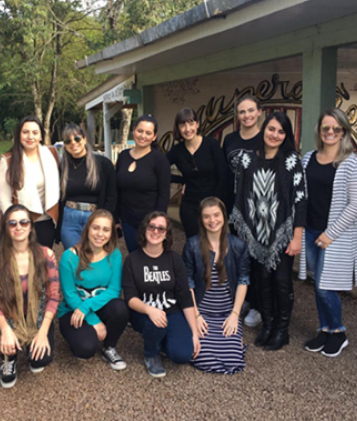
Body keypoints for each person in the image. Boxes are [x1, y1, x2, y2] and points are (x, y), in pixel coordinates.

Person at [230, 112, 307, 351]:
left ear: (286, 136)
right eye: (271, 129)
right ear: (264, 130)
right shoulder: (247, 159)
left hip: (282, 232)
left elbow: (301, 200)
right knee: (261, 280)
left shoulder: (291, 161)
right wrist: (243, 229)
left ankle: (282, 331)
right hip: (255, 234)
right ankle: (268, 325)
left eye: (281, 131)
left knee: (281, 280)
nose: (275, 135)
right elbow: (240, 194)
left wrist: (297, 237)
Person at [299, 109, 357, 357]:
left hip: (332, 236)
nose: (330, 132)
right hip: (310, 229)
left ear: (344, 132)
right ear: (319, 130)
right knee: (318, 283)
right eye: (326, 128)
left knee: (325, 286)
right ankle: (325, 328)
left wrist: (330, 234)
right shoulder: (308, 159)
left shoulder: (352, 162)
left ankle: (339, 332)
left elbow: (356, 204)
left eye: (336, 129)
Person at [0, 205, 60, 388]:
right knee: (5, 345)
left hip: (38, 316)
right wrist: (4, 330)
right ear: (6, 228)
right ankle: (9, 361)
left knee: (40, 360)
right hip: (10, 315)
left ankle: (33, 343)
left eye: (23, 222)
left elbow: (53, 297)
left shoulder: (46, 256)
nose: (18, 227)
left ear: (30, 227)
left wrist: (43, 332)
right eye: (12, 223)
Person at [122, 211, 201, 378]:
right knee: (155, 324)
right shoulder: (132, 260)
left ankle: (164, 340)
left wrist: (194, 332)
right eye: (152, 227)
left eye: (161, 228)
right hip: (143, 313)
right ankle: (151, 353)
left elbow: (184, 296)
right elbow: (130, 297)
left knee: (182, 356)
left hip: (171, 311)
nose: (155, 232)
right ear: (144, 229)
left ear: (166, 234)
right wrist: (149, 310)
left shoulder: (174, 259)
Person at [183, 197, 249, 374]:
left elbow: (243, 280)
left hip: (227, 312)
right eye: (207, 217)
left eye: (216, 215)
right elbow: (187, 283)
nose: (212, 220)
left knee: (233, 360)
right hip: (202, 311)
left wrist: (235, 314)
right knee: (202, 358)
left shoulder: (238, 245)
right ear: (201, 220)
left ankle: (234, 338)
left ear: (224, 216)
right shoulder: (192, 245)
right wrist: (195, 314)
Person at [58, 209, 129, 370]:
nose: (100, 234)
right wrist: (94, 320)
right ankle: (82, 334)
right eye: (96, 228)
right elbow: (70, 295)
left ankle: (109, 347)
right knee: (85, 349)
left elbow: (114, 290)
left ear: (111, 233)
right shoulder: (69, 257)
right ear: (87, 229)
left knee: (120, 307)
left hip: (93, 306)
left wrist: (87, 308)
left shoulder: (115, 255)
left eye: (106, 230)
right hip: (73, 310)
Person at [221, 95, 263, 329]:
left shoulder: (266, 138)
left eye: (250, 111)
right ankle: (243, 299)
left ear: (259, 112)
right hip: (235, 210)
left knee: (257, 257)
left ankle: (258, 304)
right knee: (238, 256)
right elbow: (225, 174)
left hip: (260, 212)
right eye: (242, 112)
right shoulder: (230, 139)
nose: (246, 115)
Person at [0, 115, 60, 247]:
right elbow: (4, 200)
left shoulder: (51, 154)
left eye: (35, 133)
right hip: (20, 224)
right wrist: (16, 223)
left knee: (42, 262)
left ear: (41, 136)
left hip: (46, 221)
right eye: (25, 132)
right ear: (19, 135)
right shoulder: (7, 160)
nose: (30, 137)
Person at [167, 108, 226, 238]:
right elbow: (160, 170)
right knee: (193, 243)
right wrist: (182, 181)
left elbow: (223, 176)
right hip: (189, 205)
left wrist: (216, 203)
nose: (187, 129)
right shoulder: (177, 151)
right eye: (182, 125)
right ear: (178, 128)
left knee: (213, 243)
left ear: (197, 124)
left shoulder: (211, 145)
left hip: (212, 203)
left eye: (191, 123)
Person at [116, 115, 171, 252]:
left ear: (154, 136)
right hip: (127, 221)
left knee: (150, 259)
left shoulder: (159, 160)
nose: (143, 136)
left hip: (150, 222)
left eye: (148, 133)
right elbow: (117, 190)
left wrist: (157, 223)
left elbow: (164, 194)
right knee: (134, 257)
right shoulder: (123, 156)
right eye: (140, 131)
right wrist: (116, 218)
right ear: (133, 131)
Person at [59, 123, 117, 250]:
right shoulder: (63, 167)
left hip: (96, 217)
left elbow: (112, 196)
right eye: (68, 141)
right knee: (75, 260)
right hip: (69, 219)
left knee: (95, 259)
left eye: (77, 138)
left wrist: (107, 219)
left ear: (84, 139)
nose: (73, 143)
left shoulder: (103, 164)